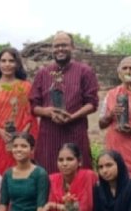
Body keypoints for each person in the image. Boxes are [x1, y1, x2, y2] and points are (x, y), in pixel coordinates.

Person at [29, 32, 99, 173]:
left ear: (72, 47)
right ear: (52, 49)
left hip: (75, 131)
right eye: (56, 46)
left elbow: (92, 103)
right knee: (47, 174)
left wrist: (72, 116)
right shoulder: (43, 73)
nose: (60, 49)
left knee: (79, 174)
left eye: (64, 45)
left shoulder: (84, 71)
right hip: (49, 135)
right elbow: (33, 105)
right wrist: (47, 112)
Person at [0, 47, 37, 174]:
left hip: (20, 141)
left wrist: (20, 137)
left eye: (11, 61)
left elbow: (30, 115)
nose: (7, 64)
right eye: (3, 61)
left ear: (17, 64)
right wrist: (0, 132)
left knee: (20, 172)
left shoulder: (26, 86)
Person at [98, 56, 131, 179]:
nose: (128, 72)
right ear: (119, 73)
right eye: (124, 68)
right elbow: (101, 124)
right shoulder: (112, 94)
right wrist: (111, 114)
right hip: (116, 148)